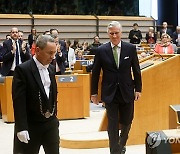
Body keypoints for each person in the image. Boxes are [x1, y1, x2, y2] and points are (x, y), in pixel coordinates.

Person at [91, 21, 142, 154]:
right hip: (110, 93)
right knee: (112, 124)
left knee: (127, 121)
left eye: (116, 33)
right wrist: (94, 93)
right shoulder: (101, 50)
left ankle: (121, 144)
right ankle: (115, 151)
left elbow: (136, 70)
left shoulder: (130, 48)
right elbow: (95, 73)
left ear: (121, 33)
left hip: (127, 90)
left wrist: (138, 89)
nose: (114, 36)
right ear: (108, 34)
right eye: (111, 33)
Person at [12, 35, 59, 154]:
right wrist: (21, 127)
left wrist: (55, 118)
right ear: (37, 50)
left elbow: (52, 95)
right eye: (49, 53)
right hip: (31, 126)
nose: (52, 56)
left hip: (50, 124)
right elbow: (19, 101)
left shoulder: (51, 69)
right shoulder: (23, 70)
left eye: (54, 52)